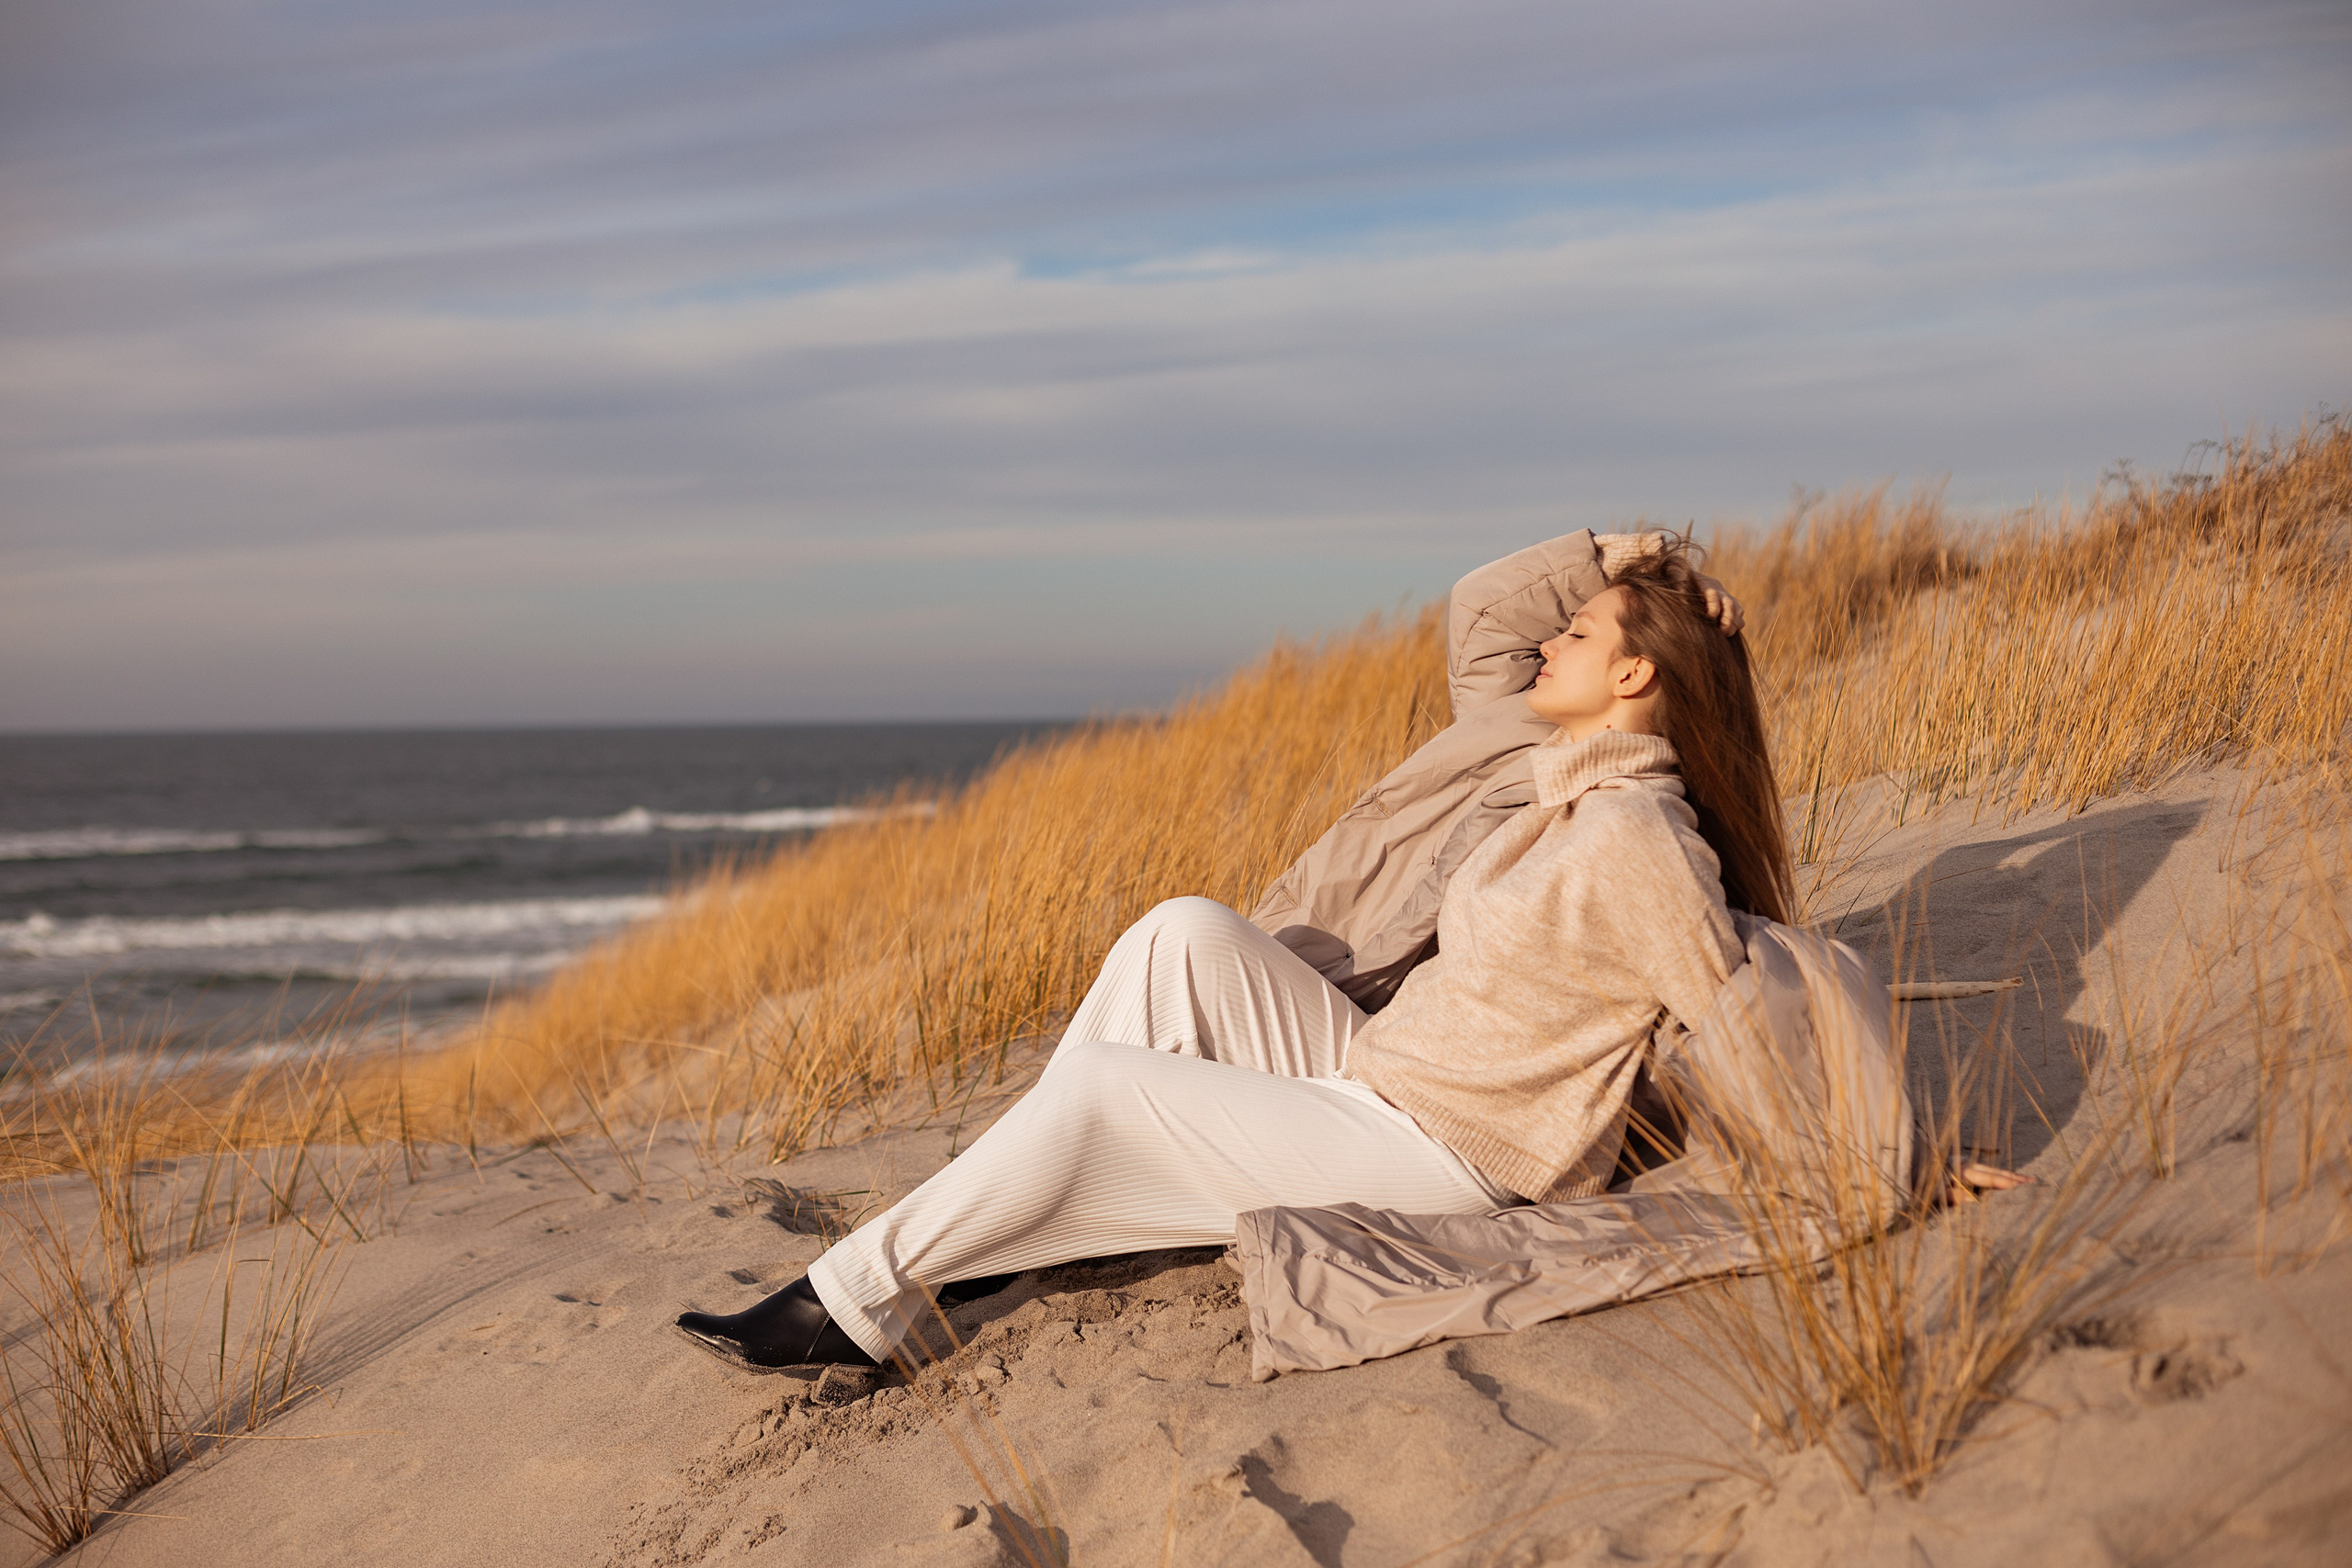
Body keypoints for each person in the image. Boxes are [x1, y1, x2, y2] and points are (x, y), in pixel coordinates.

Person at [677, 536, 1848, 1372]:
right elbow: (1489, 611)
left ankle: (850, 1304)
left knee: (1102, 1086)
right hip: (1384, 1067)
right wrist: (1627, 552)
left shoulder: (1639, 831)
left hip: (1454, 1156)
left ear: (1633, 675)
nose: (1550, 642)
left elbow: (1735, 1007)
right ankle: (1001, 1228)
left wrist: (1867, 1163)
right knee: (1181, 929)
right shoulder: (1534, 762)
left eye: (1580, 633)